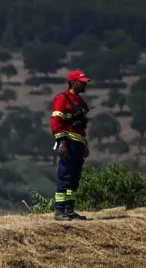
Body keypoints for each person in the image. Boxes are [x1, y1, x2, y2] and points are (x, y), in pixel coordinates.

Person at [51, 70, 91, 221]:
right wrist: (62, 142)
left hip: (78, 145)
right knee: (65, 176)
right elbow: (56, 123)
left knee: (75, 178)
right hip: (67, 144)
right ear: (73, 82)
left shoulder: (80, 102)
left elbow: (81, 127)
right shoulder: (62, 99)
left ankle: (69, 209)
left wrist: (84, 144)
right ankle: (59, 211)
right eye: (82, 81)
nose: (85, 84)